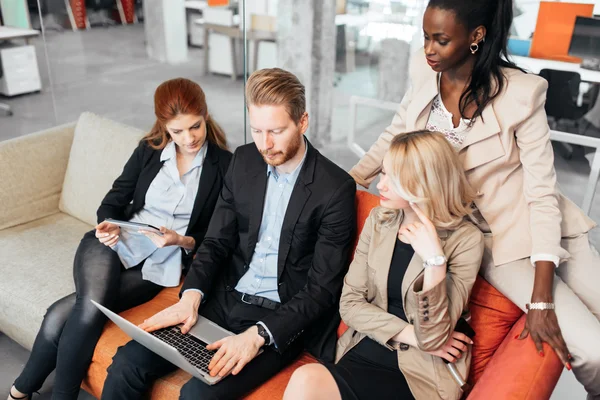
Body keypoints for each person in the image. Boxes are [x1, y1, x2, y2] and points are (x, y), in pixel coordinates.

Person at [348, 0, 600, 398]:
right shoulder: (423, 67)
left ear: (476, 37)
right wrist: (347, 182)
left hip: (541, 224)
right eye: (426, 37)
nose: (429, 48)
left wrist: (541, 301)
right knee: (595, 352)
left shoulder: (523, 93)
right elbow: (397, 131)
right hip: (497, 243)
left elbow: (541, 193)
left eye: (441, 39)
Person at [100, 68, 357, 400]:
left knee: (198, 395)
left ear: (303, 122)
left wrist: (258, 335)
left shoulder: (334, 189)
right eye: (257, 130)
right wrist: (190, 296)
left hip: (277, 317)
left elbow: (321, 290)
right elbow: (217, 241)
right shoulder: (245, 160)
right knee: (127, 362)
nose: (265, 144)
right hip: (223, 297)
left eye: (276, 131)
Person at [7, 78, 232, 400]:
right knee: (89, 308)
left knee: (65, 311)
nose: (189, 138)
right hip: (114, 244)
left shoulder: (224, 165)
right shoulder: (148, 149)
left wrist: (181, 241)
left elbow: (216, 233)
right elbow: (113, 201)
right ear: (164, 127)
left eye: (195, 127)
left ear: (205, 115)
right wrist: (106, 226)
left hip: (161, 263)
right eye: (177, 131)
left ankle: (19, 391)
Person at [284, 131, 484, 400]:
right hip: (367, 349)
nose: (380, 185)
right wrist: (411, 335)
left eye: (393, 178)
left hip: (420, 374)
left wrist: (435, 262)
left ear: (424, 183)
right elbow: (350, 303)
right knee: (305, 379)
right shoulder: (379, 220)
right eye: (383, 173)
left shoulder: (466, 240)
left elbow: (435, 337)